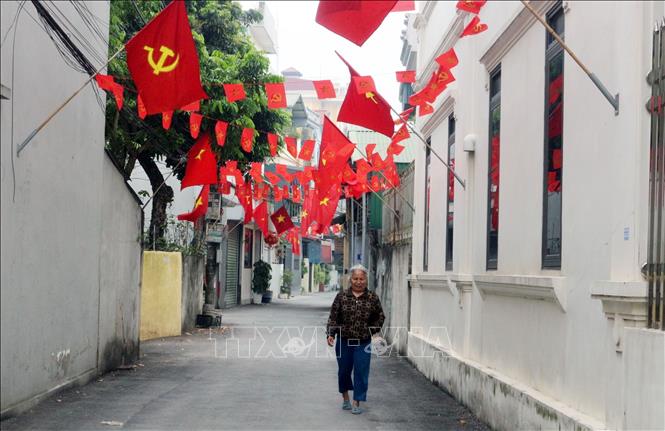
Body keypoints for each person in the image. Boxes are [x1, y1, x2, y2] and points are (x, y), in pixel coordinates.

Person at [326, 264, 385, 415]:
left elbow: (380, 317)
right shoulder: (342, 296)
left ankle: (357, 401)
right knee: (344, 371)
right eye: (355, 278)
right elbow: (333, 317)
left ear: (366, 280)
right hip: (344, 341)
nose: (358, 282)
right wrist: (331, 334)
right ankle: (345, 398)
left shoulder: (372, 298)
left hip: (363, 342)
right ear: (350, 280)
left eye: (361, 279)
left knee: (361, 371)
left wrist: (372, 331)